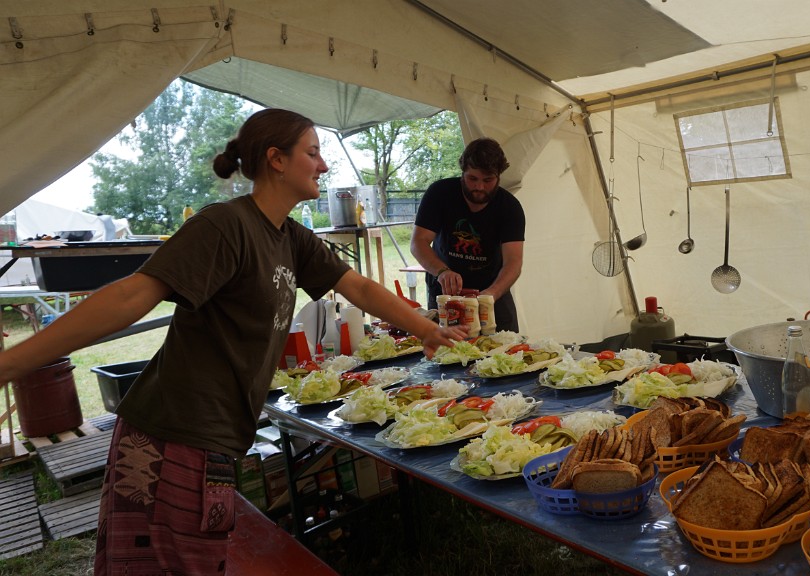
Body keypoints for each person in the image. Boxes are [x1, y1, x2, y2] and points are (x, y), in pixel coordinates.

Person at [0, 108, 464, 575]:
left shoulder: (290, 237)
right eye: (312, 153)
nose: (323, 166)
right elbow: (131, 295)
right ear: (276, 159)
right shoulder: (225, 225)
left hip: (215, 437)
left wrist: (426, 329)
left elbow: (357, 286)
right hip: (171, 434)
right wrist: (11, 365)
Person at [410, 137, 525, 332]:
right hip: (446, 295)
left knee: (504, 348)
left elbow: (513, 262)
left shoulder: (509, 207)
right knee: (447, 348)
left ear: (499, 176)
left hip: (492, 295)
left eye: (488, 180)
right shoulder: (440, 193)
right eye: (473, 179)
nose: (479, 187)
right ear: (462, 172)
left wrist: (491, 294)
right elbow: (418, 242)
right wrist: (442, 272)